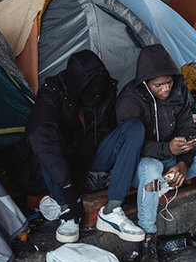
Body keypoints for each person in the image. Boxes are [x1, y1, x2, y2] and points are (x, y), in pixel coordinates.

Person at [117, 44, 196, 262]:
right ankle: (148, 240)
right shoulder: (129, 99)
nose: (166, 89)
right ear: (145, 83)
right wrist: (167, 149)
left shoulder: (179, 92)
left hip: (174, 160)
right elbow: (130, 146)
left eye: (168, 82)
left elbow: (189, 131)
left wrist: (184, 162)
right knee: (150, 170)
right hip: (143, 163)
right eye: (158, 85)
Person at [26, 49, 145, 243]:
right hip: (65, 168)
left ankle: (112, 210)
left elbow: (108, 129)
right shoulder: (54, 91)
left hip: (94, 159)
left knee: (134, 127)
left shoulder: (106, 89)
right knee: (44, 139)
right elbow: (39, 133)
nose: (95, 96)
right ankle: (68, 211)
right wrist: (67, 188)